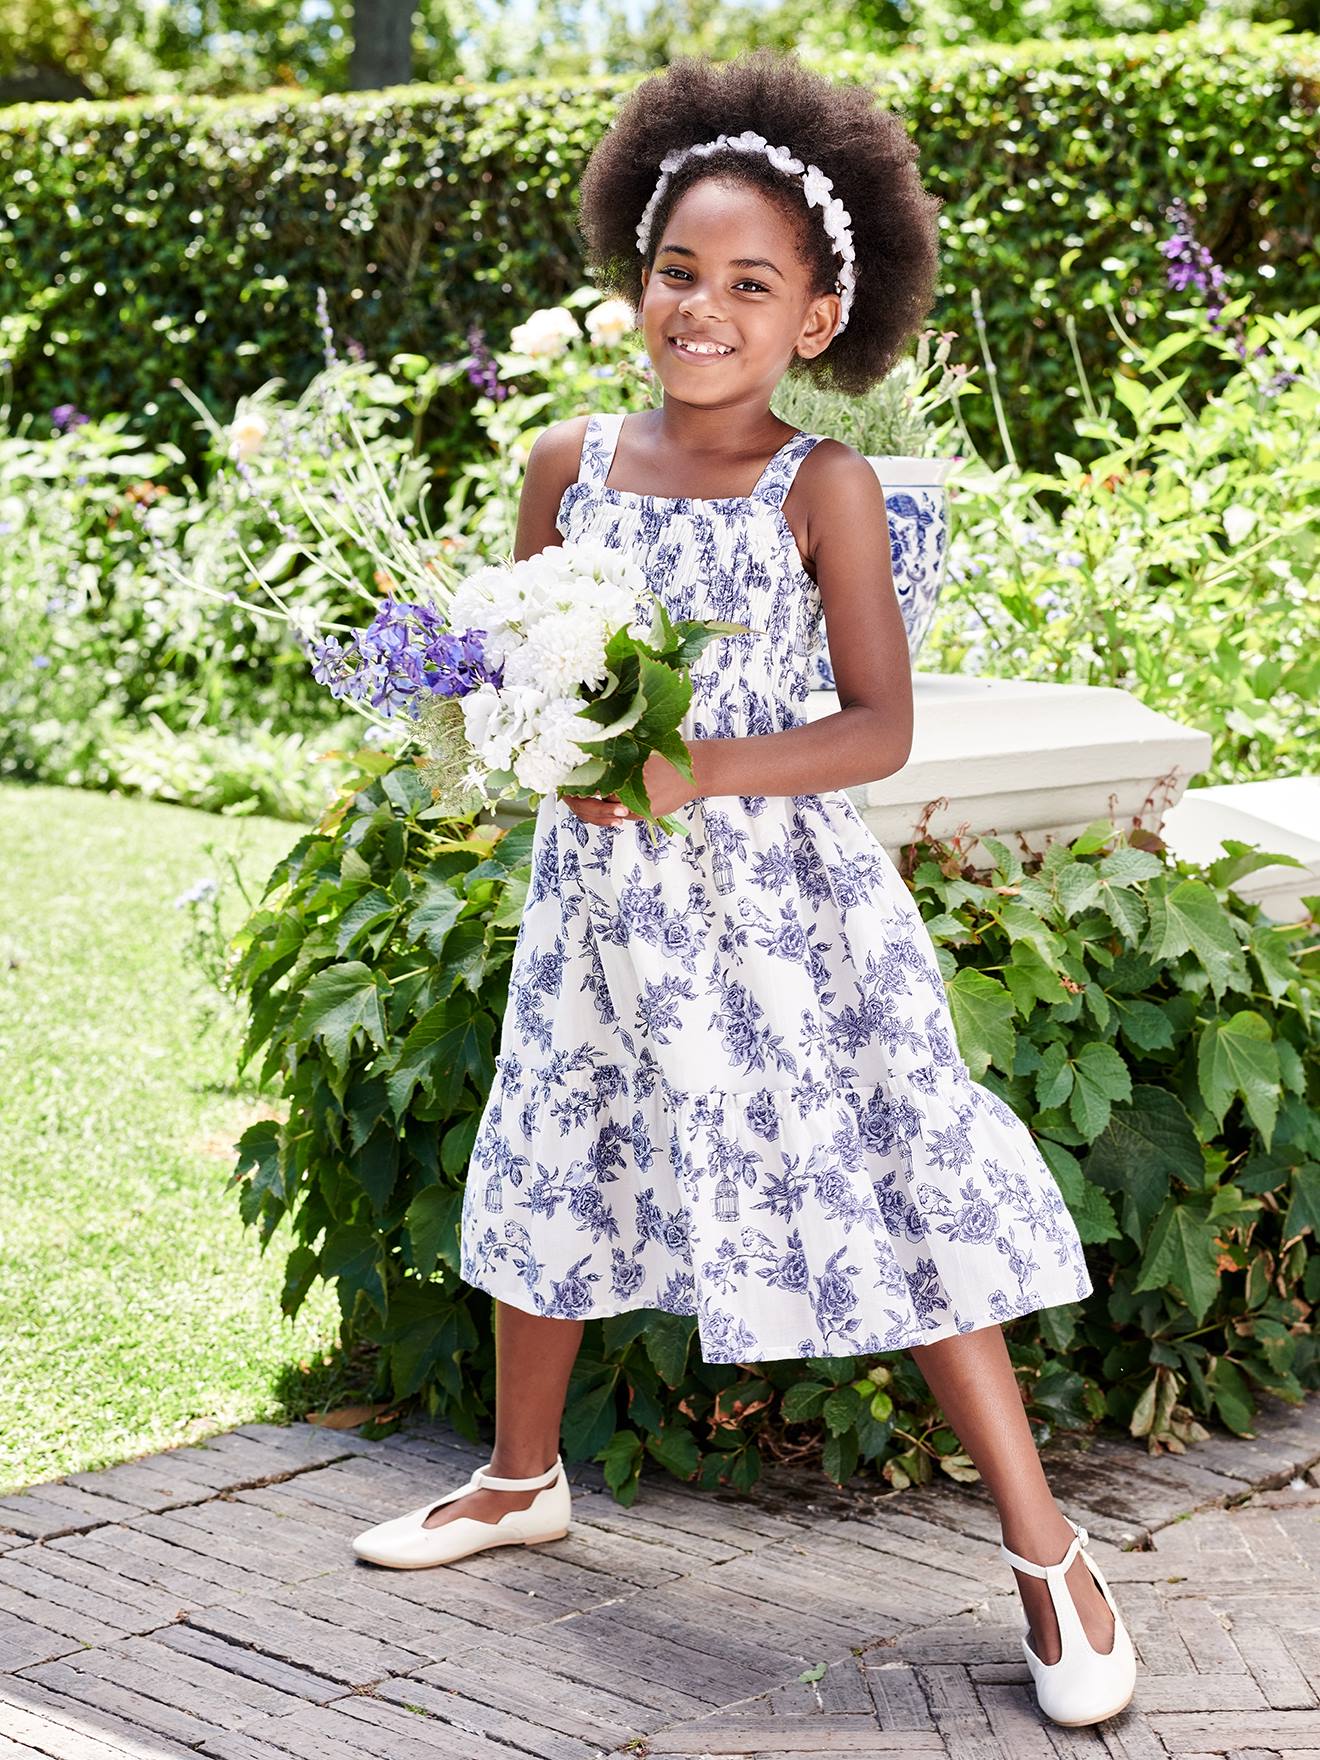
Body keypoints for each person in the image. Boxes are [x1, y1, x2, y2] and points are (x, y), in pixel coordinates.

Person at [352, 47, 1137, 1729]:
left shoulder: (823, 489)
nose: (700, 308)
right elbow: (513, 663)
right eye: (675, 271)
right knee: (562, 1133)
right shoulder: (567, 460)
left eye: (749, 284)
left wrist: (688, 770)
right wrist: (518, 735)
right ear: (636, 276)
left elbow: (876, 727)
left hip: (782, 917)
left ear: (820, 312)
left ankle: (1051, 1552)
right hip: (600, 900)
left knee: (895, 1170)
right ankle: (517, 1477)